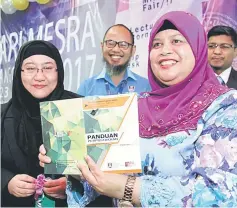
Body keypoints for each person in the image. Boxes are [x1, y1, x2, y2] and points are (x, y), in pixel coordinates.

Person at [39, 11, 237, 207]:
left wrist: (127, 187)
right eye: (157, 44)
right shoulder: (135, 106)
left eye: (177, 41)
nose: (165, 50)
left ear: (198, 48)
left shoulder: (224, 106)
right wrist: (71, 161)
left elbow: (221, 193)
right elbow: (110, 173)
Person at [1, 40, 111, 207]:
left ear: (58, 71)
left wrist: (72, 186)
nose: (39, 76)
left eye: (47, 68)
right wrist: (6, 182)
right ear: (19, 72)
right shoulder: (3, 115)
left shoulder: (83, 109)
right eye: (30, 68)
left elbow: (105, 164)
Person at [77, 24, 151, 96]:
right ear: (102, 47)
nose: (116, 49)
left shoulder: (146, 88)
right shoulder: (86, 88)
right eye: (110, 43)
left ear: (133, 50)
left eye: (123, 44)